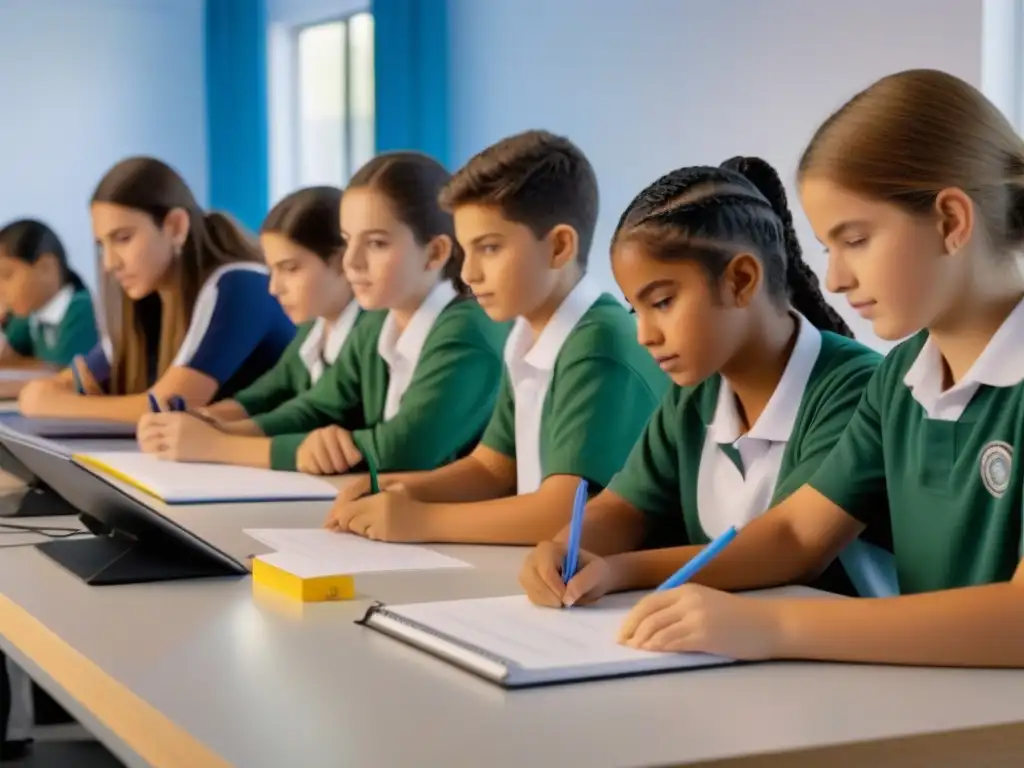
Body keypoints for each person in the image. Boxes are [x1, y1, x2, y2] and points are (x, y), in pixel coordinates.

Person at [612, 70, 1024, 668]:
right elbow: (797, 534)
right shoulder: (902, 376)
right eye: (829, 250)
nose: (833, 280)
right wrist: (621, 571)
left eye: (855, 240)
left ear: (951, 221)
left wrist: (771, 624)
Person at [519, 155, 893, 607]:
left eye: (662, 302)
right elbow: (623, 508)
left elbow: (788, 545)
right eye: (637, 309)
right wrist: (566, 548)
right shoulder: (694, 396)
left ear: (740, 279)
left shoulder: (857, 388)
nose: (644, 335)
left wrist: (623, 569)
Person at [324, 130, 668, 544]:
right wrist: (396, 489)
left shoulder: (601, 345)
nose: (468, 274)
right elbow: (492, 467)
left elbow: (563, 513)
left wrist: (421, 521)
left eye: (489, 248)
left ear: (559, 247)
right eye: (466, 251)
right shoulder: (527, 332)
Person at [138, 152, 508, 475]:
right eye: (348, 241)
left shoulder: (466, 331)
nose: (352, 262)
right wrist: (210, 428)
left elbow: (403, 449)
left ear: (435, 253)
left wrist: (218, 446)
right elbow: (317, 407)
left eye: (376, 243)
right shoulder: (380, 321)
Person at [16, 157, 296, 423]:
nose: (111, 263)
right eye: (102, 245)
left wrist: (57, 404)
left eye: (123, 238)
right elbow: (64, 383)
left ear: (175, 227)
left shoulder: (239, 285)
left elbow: (169, 405)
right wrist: (48, 396)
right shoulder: (147, 297)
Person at [174, 186, 356, 430]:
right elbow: (262, 395)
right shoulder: (312, 330)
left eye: (290, 268)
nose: (274, 288)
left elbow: (310, 413)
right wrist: (199, 418)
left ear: (341, 262)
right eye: (272, 270)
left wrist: (218, 435)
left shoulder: (369, 330)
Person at [0, 219, 99, 378]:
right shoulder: (28, 315)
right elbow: (7, 356)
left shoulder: (81, 309)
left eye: (6, 276)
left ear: (45, 268)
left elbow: (63, 374)